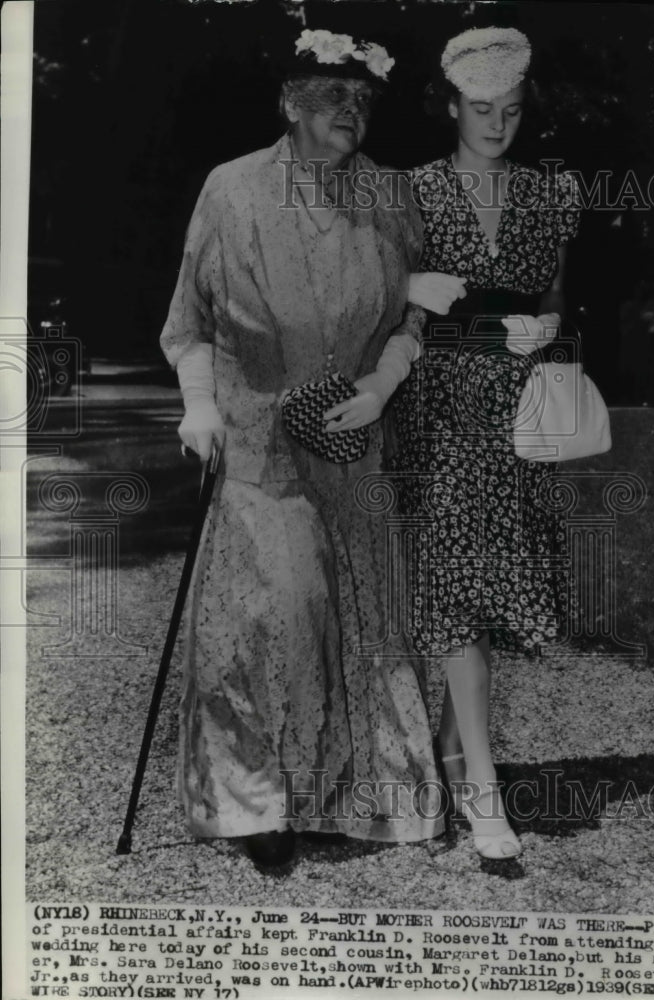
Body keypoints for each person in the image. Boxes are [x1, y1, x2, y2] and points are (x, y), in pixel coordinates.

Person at [160, 28, 452, 867]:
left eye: (363, 101)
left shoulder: (392, 196)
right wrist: (200, 406)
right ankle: (256, 803)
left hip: (353, 445)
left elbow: (412, 317)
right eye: (331, 97)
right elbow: (191, 324)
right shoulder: (232, 191)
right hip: (258, 445)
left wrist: (381, 388)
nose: (350, 113)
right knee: (276, 611)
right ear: (290, 103)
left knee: (367, 620)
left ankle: (367, 795)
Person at [389, 26, 581, 860]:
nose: (495, 125)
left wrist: (545, 327)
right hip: (439, 406)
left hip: (516, 411)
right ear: (451, 107)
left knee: (488, 583)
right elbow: (371, 296)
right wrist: (407, 289)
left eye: (508, 110)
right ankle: (483, 791)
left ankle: (442, 762)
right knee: (461, 580)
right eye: (479, 109)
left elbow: (557, 302)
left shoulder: (551, 194)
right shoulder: (413, 190)